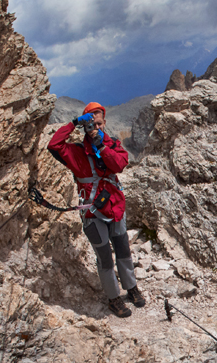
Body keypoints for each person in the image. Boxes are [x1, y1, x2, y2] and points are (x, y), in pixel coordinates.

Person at [47, 102, 144, 318]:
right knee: (105, 258)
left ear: (104, 123)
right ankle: (113, 298)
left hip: (115, 207)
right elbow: (54, 145)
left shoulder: (113, 145)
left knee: (123, 251)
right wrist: (72, 124)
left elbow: (119, 164)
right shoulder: (77, 152)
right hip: (92, 212)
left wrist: (101, 146)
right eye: (91, 125)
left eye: (98, 124)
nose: (95, 128)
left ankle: (131, 287)